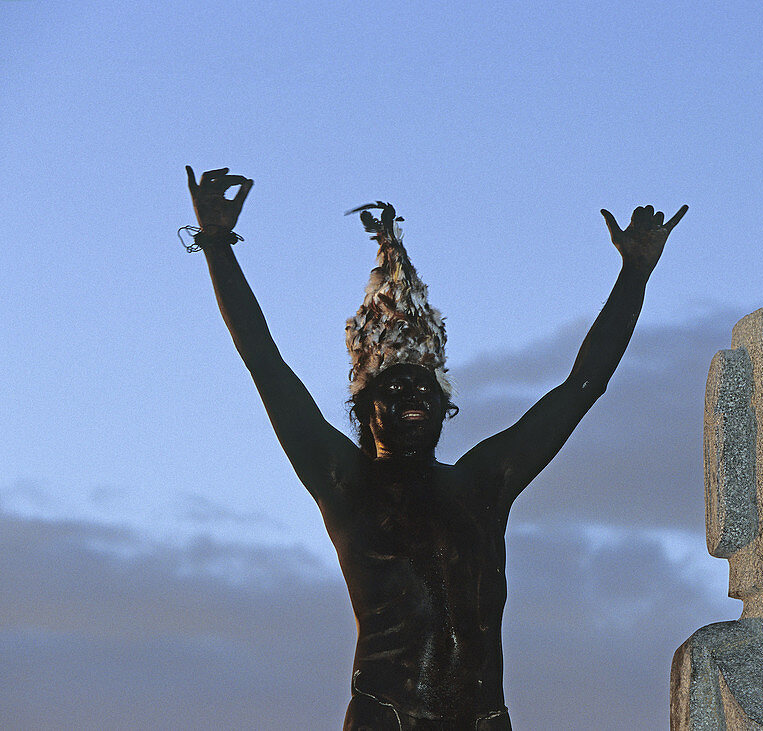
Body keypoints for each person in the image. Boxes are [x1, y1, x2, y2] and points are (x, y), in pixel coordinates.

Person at [186, 166, 687, 729]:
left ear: (446, 407)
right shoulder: (345, 483)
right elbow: (267, 366)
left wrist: (635, 274)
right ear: (363, 410)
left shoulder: (483, 483)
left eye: (425, 385)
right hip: (389, 717)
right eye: (393, 388)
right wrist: (217, 244)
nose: (412, 393)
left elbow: (582, 385)